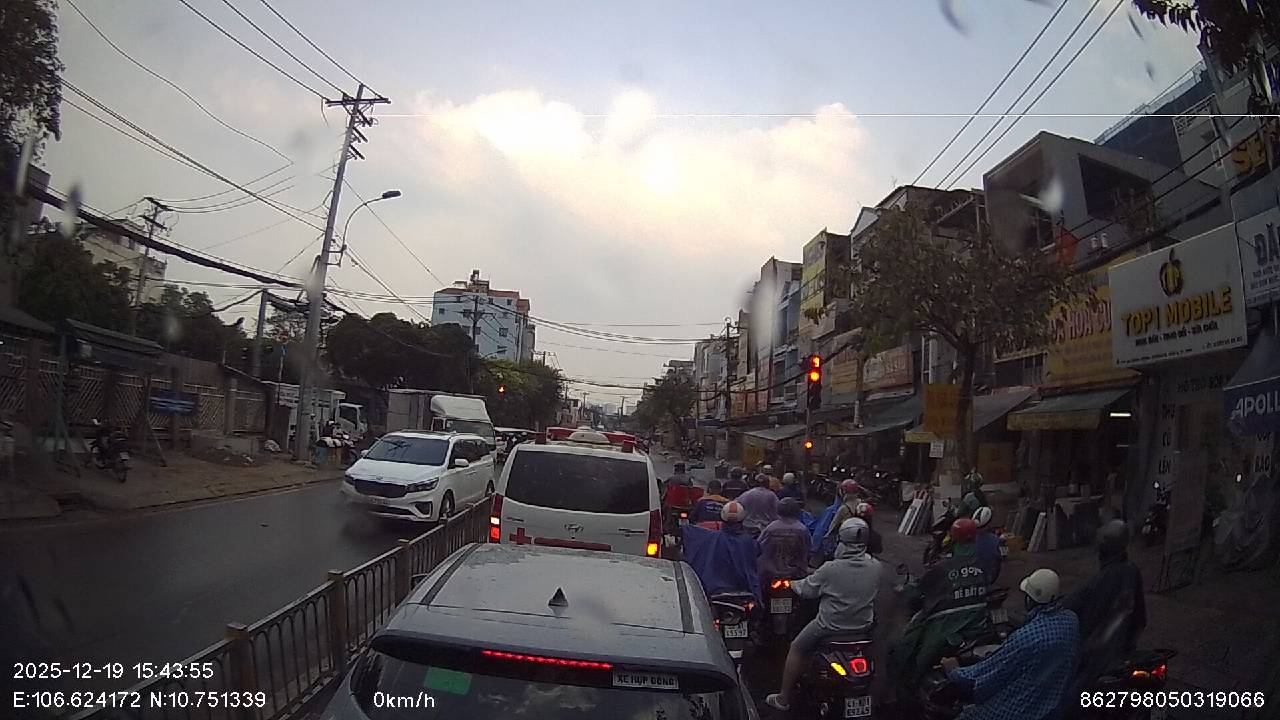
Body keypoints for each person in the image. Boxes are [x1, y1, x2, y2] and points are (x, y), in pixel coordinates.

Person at [765, 518, 883, 712]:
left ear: (841, 539)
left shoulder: (831, 568)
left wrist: (790, 584)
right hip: (863, 627)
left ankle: (783, 698)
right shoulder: (876, 566)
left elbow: (807, 590)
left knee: (796, 648)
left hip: (829, 626)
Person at [941, 569, 1079, 720]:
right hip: (1054, 702)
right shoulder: (1071, 620)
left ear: (1030, 600)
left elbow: (988, 674)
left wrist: (954, 671)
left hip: (1021, 710)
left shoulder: (1027, 637)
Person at [889, 518, 991, 699]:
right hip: (977, 623)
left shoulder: (944, 567)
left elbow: (918, 588)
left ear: (953, 538)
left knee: (904, 647)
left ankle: (904, 694)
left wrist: (903, 590)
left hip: (946, 625)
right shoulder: (981, 562)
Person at [1061, 520, 1146, 711]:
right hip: (1123, 653)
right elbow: (1140, 618)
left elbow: (1069, 605)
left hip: (1096, 659)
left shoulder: (1099, 581)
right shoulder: (1131, 571)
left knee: (1065, 705)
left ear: (1103, 549)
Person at [681, 501, 761, 600]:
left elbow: (691, 535)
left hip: (713, 590)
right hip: (744, 590)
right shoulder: (749, 542)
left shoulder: (709, 537)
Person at [759, 497, 812, 584]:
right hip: (795, 574)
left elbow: (759, 548)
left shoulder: (771, 528)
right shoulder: (802, 529)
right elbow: (808, 550)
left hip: (770, 574)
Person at [738, 471, 780, 538]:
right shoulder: (771, 495)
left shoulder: (747, 494)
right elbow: (778, 510)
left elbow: (737, 505)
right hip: (765, 528)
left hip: (747, 527)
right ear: (767, 483)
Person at [824, 479, 863, 546]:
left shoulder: (843, 508)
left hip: (845, 538)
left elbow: (834, 524)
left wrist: (826, 535)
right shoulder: (861, 503)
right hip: (860, 537)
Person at [972, 506, 1002, 583]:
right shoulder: (995, 540)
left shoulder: (968, 538)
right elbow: (998, 563)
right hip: (988, 579)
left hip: (971, 578)